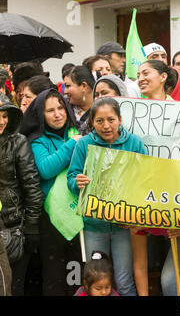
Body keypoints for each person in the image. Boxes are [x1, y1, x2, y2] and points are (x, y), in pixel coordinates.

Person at [67, 97, 146, 296]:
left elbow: (146, 179)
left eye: (111, 119)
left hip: (124, 226)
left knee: (123, 280)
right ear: (92, 123)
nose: (106, 125)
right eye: (99, 121)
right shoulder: (84, 144)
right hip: (94, 226)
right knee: (97, 282)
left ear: (120, 119)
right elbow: (71, 178)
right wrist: (77, 182)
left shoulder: (134, 143)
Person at [20, 88, 82, 295]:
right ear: (41, 115)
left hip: (79, 214)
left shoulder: (77, 133)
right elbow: (46, 169)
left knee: (76, 273)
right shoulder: (38, 141)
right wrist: (72, 145)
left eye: (61, 108)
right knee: (54, 276)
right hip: (51, 219)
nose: (57, 114)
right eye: (50, 110)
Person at [0, 93, 43, 296]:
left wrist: (32, 226)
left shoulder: (18, 142)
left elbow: (31, 185)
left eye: (5, 115)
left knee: (13, 288)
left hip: (14, 227)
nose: (2, 121)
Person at [64, 65, 95, 135]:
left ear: (84, 86)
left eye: (68, 86)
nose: (65, 91)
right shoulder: (63, 108)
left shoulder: (102, 109)